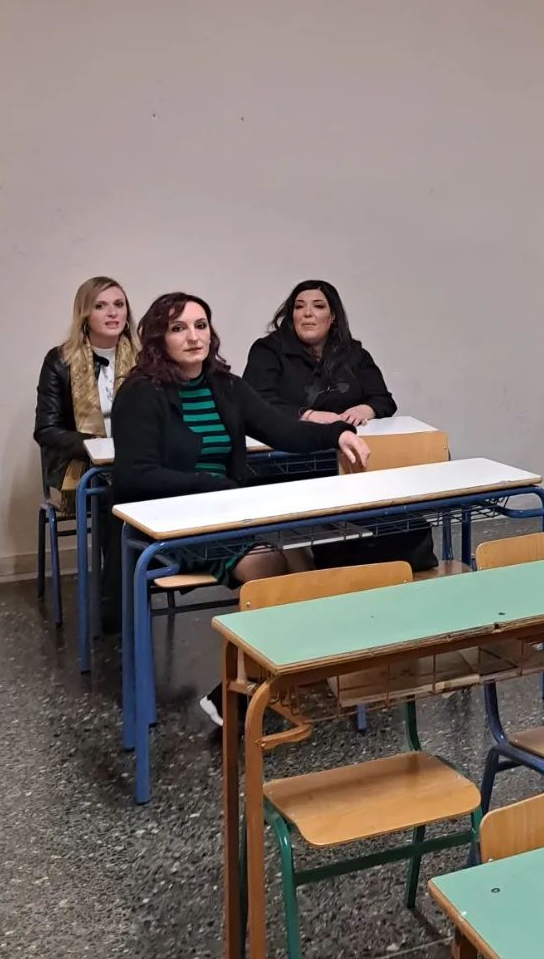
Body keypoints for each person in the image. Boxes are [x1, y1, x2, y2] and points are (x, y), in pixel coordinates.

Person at [112, 292, 369, 727]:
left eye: (200, 325)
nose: (193, 337)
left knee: (302, 563)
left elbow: (282, 429)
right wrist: (208, 485)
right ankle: (248, 687)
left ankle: (248, 685)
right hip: (172, 522)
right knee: (271, 567)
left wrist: (338, 434)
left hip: (227, 511)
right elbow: (134, 477)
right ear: (159, 338)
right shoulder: (140, 393)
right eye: (178, 328)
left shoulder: (224, 385)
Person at [34, 277, 140, 503]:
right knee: (117, 487)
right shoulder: (60, 360)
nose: (113, 313)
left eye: (119, 304)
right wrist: (95, 445)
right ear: (84, 315)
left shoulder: (144, 359)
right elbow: (46, 430)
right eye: (100, 306)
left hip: (136, 456)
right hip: (83, 464)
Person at [242, 280, 397, 424]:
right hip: (289, 440)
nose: (307, 313)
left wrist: (365, 410)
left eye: (318, 306)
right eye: (299, 307)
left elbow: (383, 400)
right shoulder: (267, 350)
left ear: (333, 316)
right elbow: (253, 401)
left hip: (349, 439)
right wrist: (308, 415)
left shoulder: (355, 353)